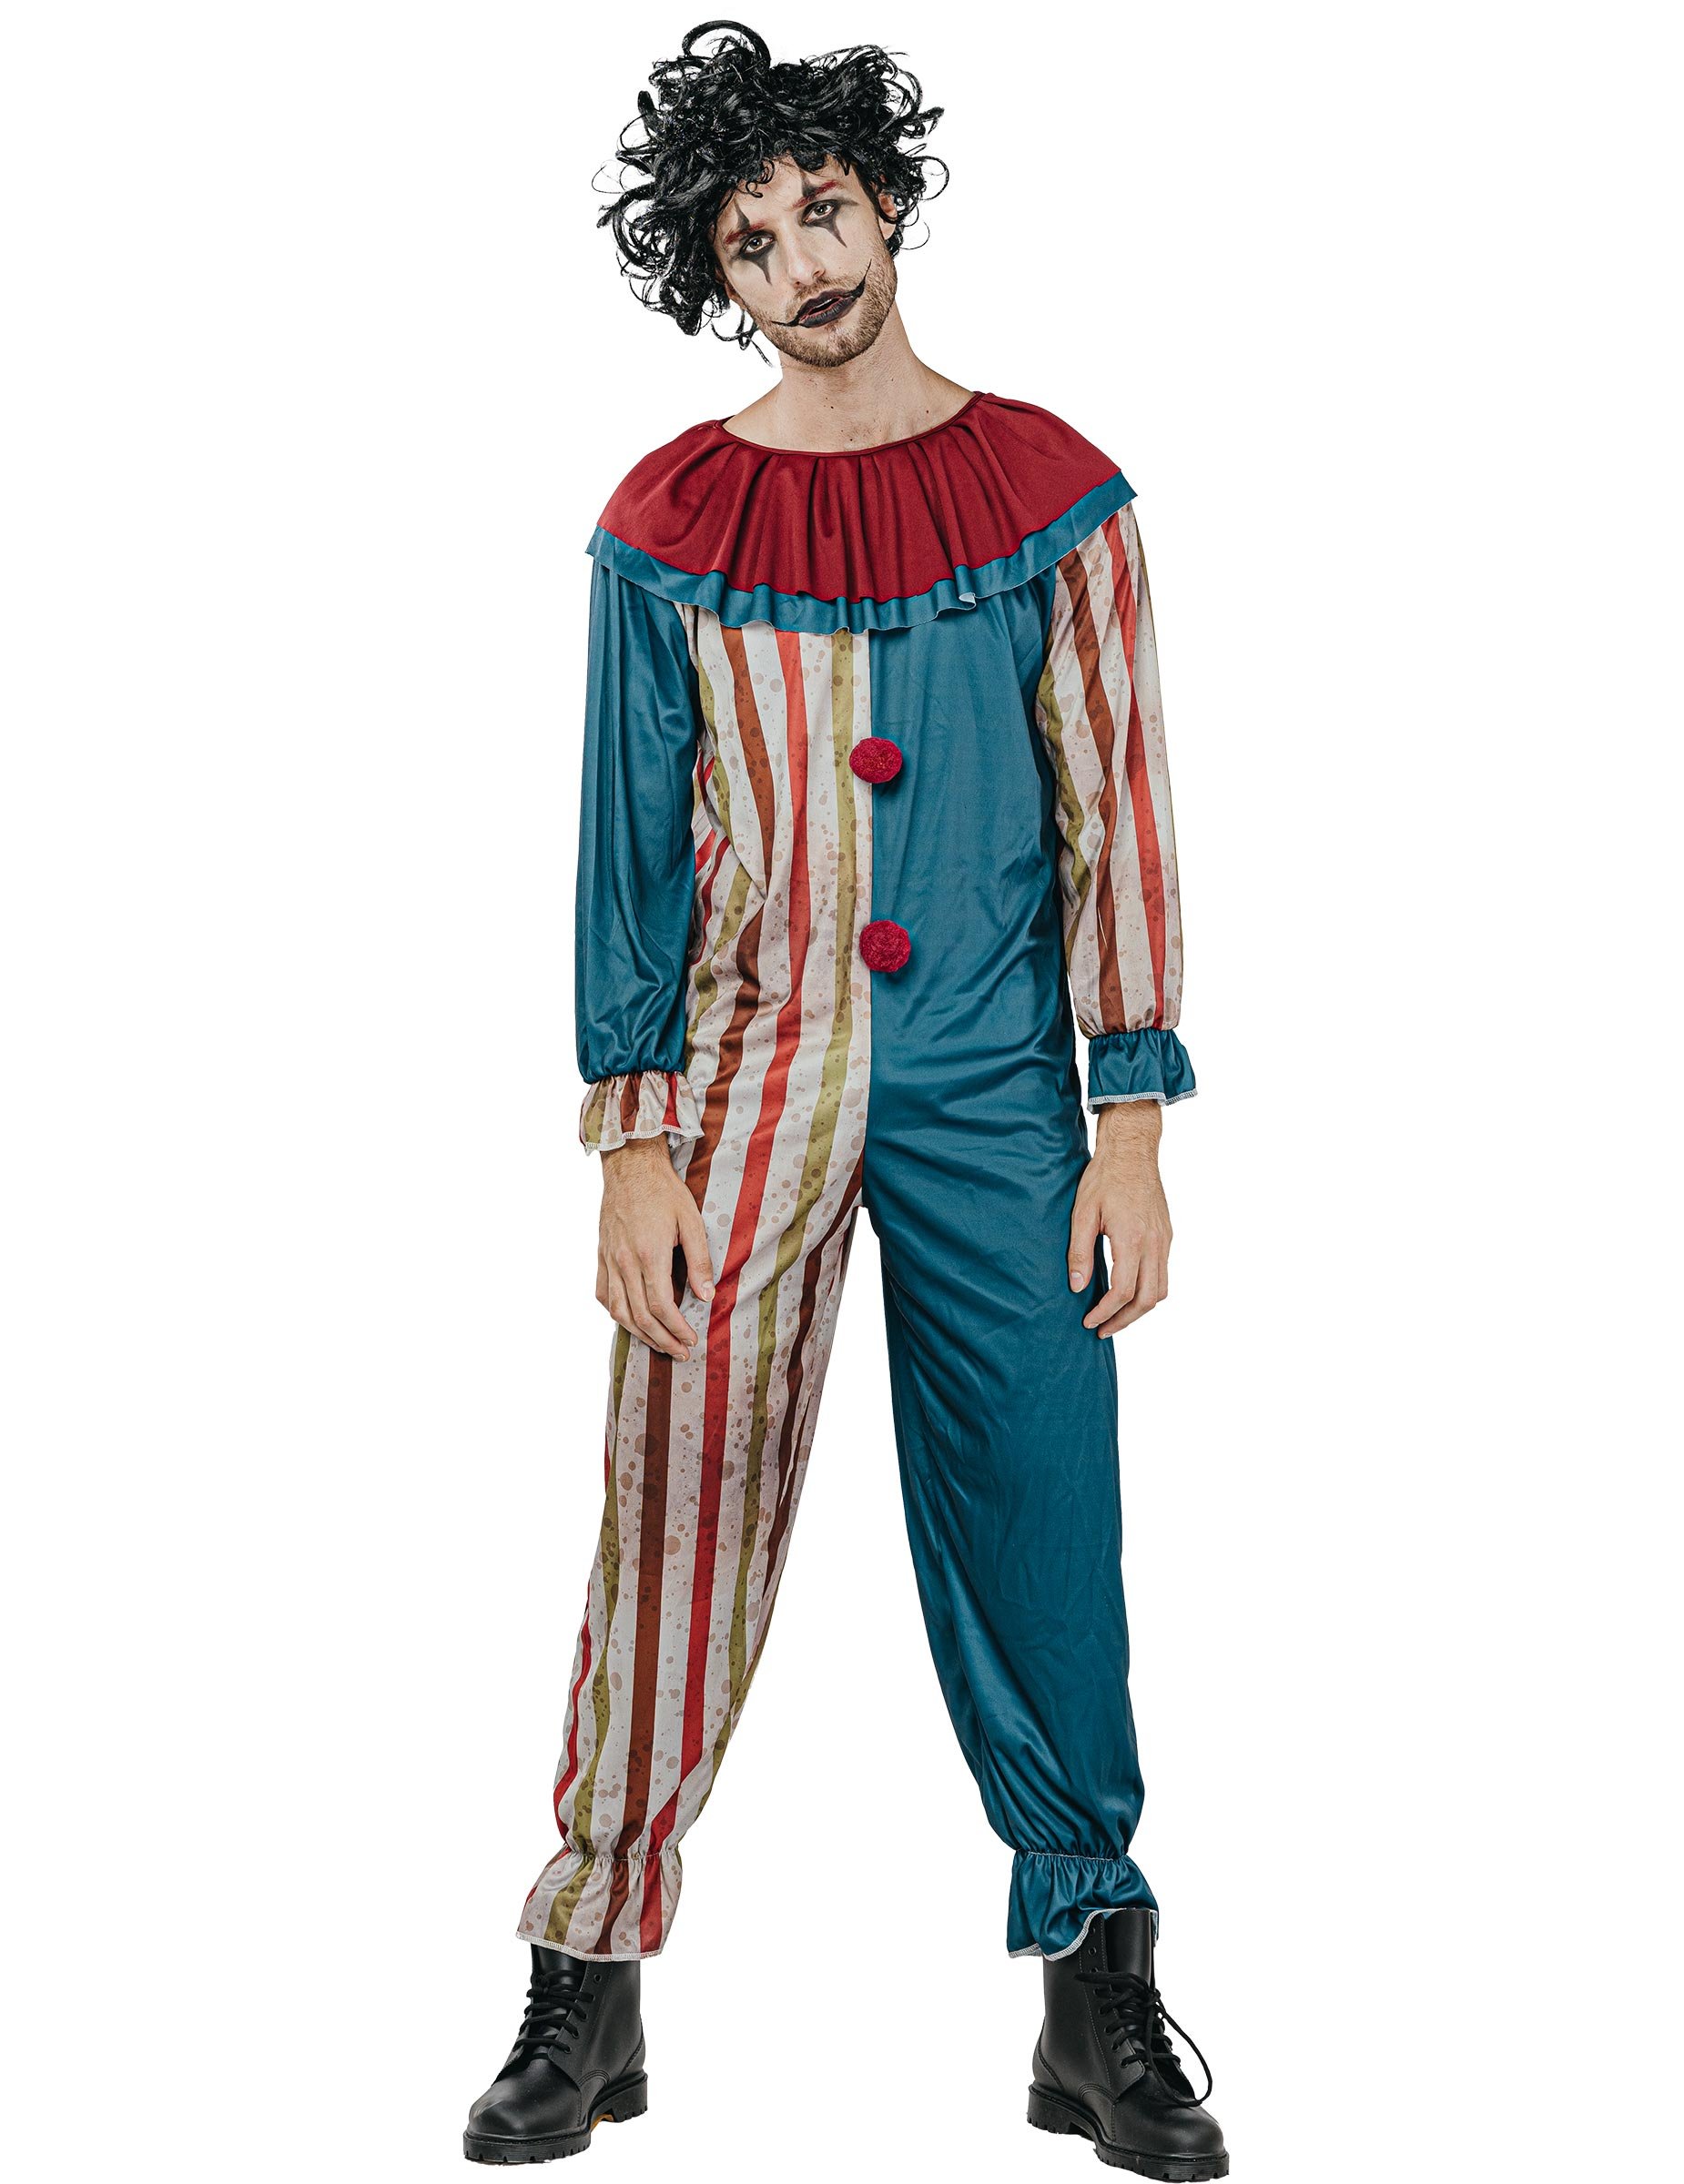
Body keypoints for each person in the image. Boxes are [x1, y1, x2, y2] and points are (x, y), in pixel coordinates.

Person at [463, 23, 1228, 2178]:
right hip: (745, 1077)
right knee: (675, 1502)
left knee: (1043, 1519)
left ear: (886, 201)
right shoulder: (670, 522)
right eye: (749, 240)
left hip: (999, 1087)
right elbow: (629, 845)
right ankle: (588, 1972)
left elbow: (1117, 809)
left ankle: (1095, 1984)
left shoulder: (1053, 492)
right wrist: (630, 1139)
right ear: (712, 278)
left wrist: (1132, 1121)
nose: (801, 262)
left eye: (821, 208)